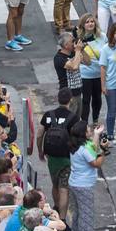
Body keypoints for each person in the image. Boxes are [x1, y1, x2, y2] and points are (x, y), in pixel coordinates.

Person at [68, 120, 106, 231]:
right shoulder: (84, 150)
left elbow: (93, 146)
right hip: (84, 186)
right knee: (86, 215)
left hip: (74, 183)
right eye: (88, 130)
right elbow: (96, 163)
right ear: (83, 133)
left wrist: (97, 134)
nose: (90, 130)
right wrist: (103, 152)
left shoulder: (76, 146)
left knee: (77, 213)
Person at [39, 87, 76, 219]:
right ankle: (63, 219)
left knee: (55, 184)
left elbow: (39, 134)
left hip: (52, 156)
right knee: (64, 187)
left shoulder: (48, 115)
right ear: (70, 100)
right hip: (66, 158)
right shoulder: (73, 118)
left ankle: (56, 206)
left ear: (58, 99)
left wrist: (40, 151)